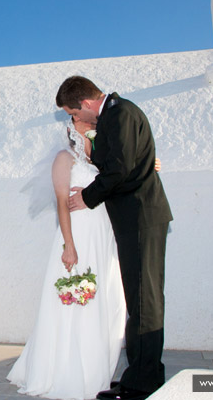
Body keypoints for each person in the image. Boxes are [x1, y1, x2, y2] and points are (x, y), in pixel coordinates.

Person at [58, 76, 172, 400]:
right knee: (141, 299)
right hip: (136, 218)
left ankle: (141, 384)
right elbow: (127, 162)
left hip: (140, 217)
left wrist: (88, 197)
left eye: (74, 113)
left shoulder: (120, 114)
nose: (77, 120)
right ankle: (142, 376)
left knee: (144, 301)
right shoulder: (116, 115)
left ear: (86, 104)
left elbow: (119, 170)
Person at [7, 114, 127, 399]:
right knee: (77, 304)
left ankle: (99, 370)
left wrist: (150, 166)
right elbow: (62, 203)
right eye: (84, 121)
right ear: (72, 126)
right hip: (78, 237)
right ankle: (69, 373)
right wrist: (69, 246)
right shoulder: (64, 158)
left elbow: (118, 183)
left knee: (109, 302)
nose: (93, 124)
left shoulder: (102, 160)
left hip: (103, 237)